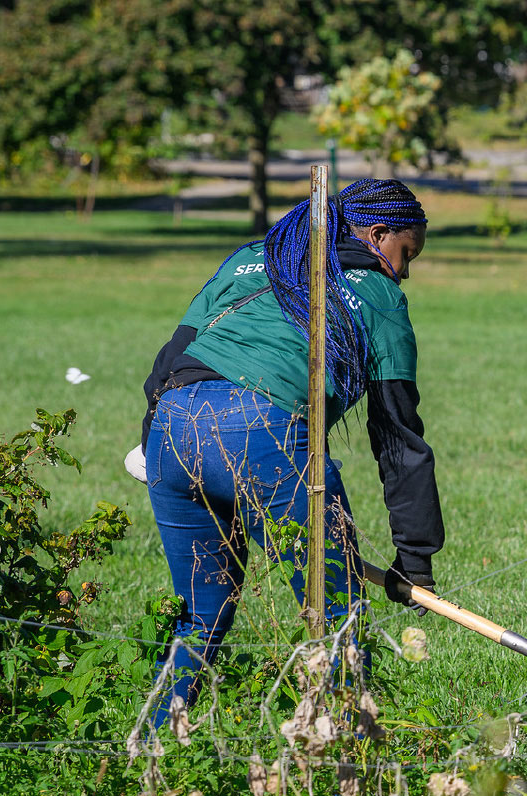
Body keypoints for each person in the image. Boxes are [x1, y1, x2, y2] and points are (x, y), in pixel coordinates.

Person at [140, 178, 443, 724]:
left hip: (173, 428)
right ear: (378, 236)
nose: (406, 271)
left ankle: (156, 754)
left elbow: (169, 361)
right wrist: (415, 560)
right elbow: (397, 435)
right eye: (407, 254)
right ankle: (344, 767)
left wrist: (151, 443)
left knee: (200, 615)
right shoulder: (379, 294)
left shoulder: (252, 258)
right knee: (338, 615)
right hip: (265, 432)